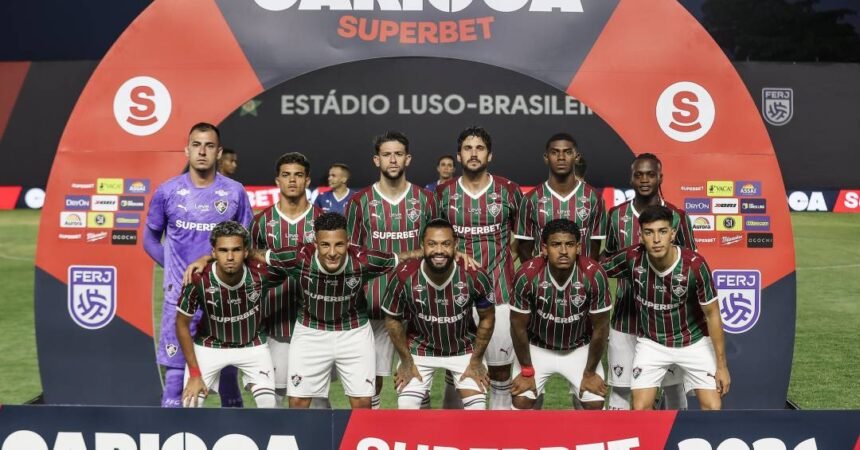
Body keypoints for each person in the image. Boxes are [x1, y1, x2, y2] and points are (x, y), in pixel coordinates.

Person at [144, 122, 252, 408]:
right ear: (187, 150)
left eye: (209, 146)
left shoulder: (235, 192)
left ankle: (232, 432)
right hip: (179, 298)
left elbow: (246, 242)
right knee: (175, 375)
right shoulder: (168, 191)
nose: (202, 151)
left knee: (228, 375)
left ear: (219, 152)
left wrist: (218, 268)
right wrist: (175, 270)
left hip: (224, 297)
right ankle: (173, 430)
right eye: (196, 145)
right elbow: (150, 239)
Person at [601, 205, 730, 410]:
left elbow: (712, 314)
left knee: (712, 408)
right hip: (652, 343)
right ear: (641, 236)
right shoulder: (632, 259)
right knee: (640, 408)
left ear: (673, 234)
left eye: (662, 231)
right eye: (649, 232)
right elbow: (596, 270)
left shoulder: (694, 265)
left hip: (693, 342)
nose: (656, 239)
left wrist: (721, 366)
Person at [345, 131, 438, 409]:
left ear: (408, 159)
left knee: (418, 382)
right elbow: (352, 257)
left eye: (398, 154)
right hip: (374, 305)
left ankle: (417, 432)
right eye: (387, 154)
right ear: (377, 160)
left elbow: (437, 249)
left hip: (418, 305)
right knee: (372, 380)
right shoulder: (359, 202)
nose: (393, 159)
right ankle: (371, 430)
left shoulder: (426, 200)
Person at [436, 126, 521, 410]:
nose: (474, 153)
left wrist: (506, 261)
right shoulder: (443, 193)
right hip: (454, 297)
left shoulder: (509, 191)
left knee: (500, 373)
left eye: (480, 148)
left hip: (500, 296)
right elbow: (433, 241)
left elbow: (524, 239)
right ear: (459, 156)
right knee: (456, 372)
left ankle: (499, 433)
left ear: (490, 155)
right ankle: (453, 433)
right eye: (468, 148)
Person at [602, 153, 697, 410]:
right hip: (626, 319)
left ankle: (676, 433)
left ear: (660, 178)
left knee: (673, 388)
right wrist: (631, 263)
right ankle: (622, 434)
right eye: (639, 175)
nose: (644, 180)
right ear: (631, 178)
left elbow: (691, 264)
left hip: (668, 322)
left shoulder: (677, 217)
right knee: (621, 388)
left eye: (650, 174)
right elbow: (607, 260)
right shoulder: (616, 215)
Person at [382, 219, 495, 410]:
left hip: (463, 349)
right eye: (432, 244)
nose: (439, 250)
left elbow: (487, 317)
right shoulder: (404, 275)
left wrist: (476, 360)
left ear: (455, 245)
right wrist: (406, 361)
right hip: (419, 349)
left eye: (446, 244)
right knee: (407, 407)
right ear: (422, 246)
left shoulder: (474, 274)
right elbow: (393, 319)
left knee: (477, 411)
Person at [247, 152, 328, 408]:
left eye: (298, 175)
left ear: (307, 180)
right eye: (286, 175)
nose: (292, 180)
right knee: (277, 395)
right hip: (275, 324)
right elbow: (251, 271)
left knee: (318, 399)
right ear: (277, 181)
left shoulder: (323, 221)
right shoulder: (261, 222)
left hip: (317, 326)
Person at [509, 219, 611, 410]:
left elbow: (601, 328)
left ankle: (583, 427)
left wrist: (590, 373)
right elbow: (517, 326)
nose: (563, 251)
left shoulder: (594, 275)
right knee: (522, 400)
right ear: (544, 249)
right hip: (537, 346)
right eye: (556, 244)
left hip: (579, 347)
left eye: (569, 244)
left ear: (578, 247)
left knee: (594, 402)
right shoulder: (527, 275)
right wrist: (527, 371)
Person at [176, 221, 276, 408]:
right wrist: (195, 374)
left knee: (268, 404)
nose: (230, 257)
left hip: (252, 345)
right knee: (191, 404)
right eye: (223, 250)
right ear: (214, 252)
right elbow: (181, 324)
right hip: (209, 345)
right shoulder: (198, 278)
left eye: (236, 250)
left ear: (246, 252)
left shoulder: (262, 273)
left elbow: (292, 261)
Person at [515, 132, 606, 261]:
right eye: (554, 152)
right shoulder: (530, 199)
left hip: (580, 273)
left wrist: (585, 272)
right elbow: (524, 248)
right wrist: (536, 272)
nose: (561, 157)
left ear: (577, 157)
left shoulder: (594, 197)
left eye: (567, 152)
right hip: (543, 273)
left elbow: (594, 247)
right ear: (546, 158)